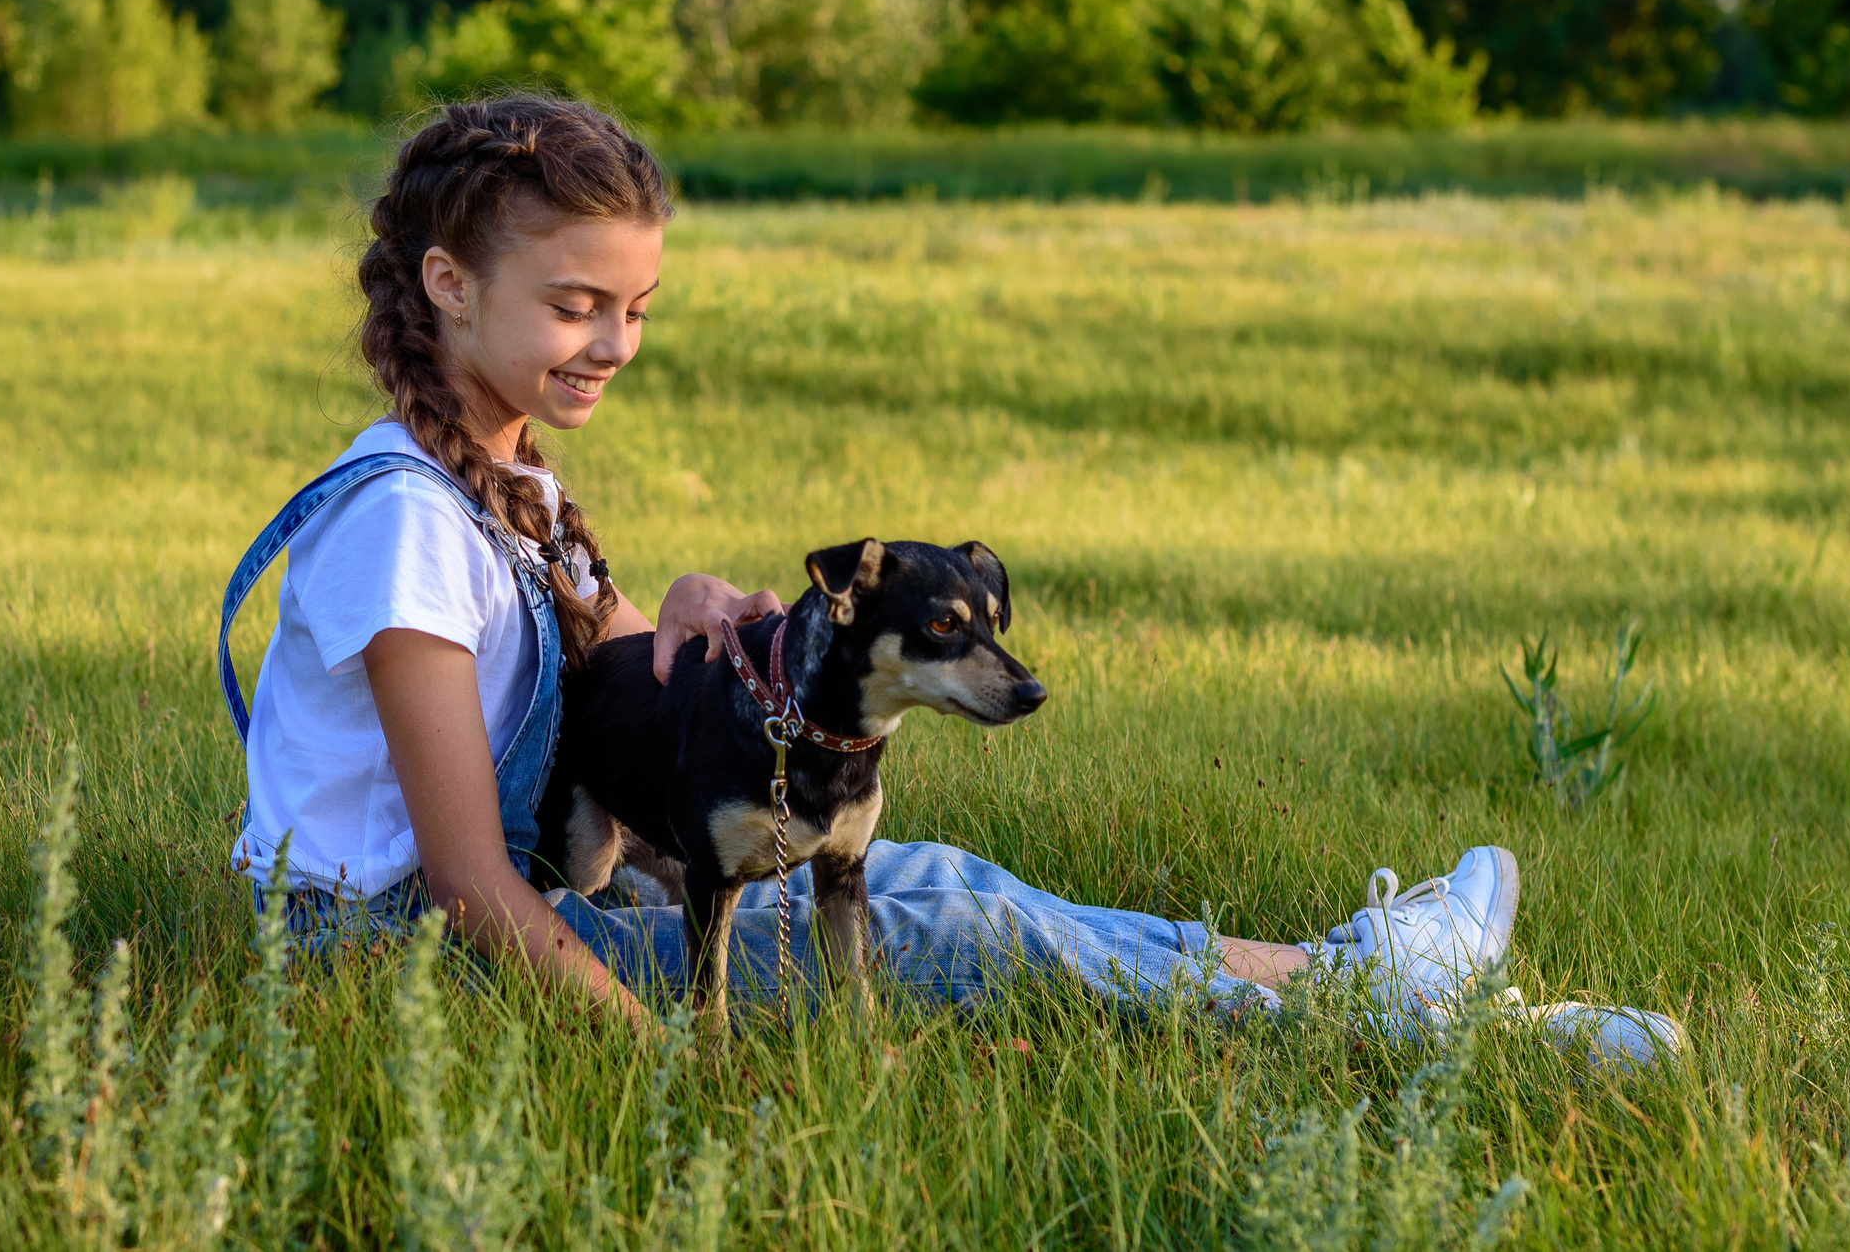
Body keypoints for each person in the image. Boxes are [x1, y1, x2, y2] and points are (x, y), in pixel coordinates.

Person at [220, 96, 1680, 1064]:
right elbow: (470, 884)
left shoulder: (506, 481)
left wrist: (692, 615)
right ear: (448, 284)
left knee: (927, 886)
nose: (613, 343)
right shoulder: (403, 525)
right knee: (940, 914)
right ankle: (1423, 1016)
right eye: (575, 305)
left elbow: (609, 682)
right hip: (399, 960)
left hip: (513, 909)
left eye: (638, 308)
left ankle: (1360, 979)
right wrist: (662, 1052)